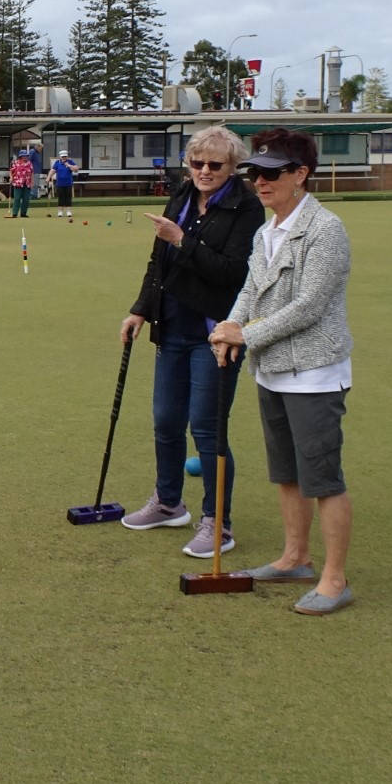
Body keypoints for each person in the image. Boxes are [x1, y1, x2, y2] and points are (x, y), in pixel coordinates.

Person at [208, 128, 356, 616]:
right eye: (255, 173)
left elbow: (310, 306)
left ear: (300, 175)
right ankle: (295, 556)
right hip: (272, 370)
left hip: (313, 371)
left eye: (272, 173)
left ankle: (335, 579)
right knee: (287, 473)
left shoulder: (325, 230)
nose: (260, 181)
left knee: (323, 478)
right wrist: (230, 324)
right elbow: (252, 291)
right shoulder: (265, 231)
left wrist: (243, 336)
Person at [118, 126, 263, 559]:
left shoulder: (247, 207)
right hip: (172, 326)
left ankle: (218, 524)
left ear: (232, 168)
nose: (204, 171)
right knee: (165, 421)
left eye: (214, 165)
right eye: (196, 163)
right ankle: (168, 502)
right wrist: (140, 309)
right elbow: (158, 261)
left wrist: (181, 239)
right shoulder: (182, 195)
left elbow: (233, 273)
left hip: (215, 333)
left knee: (207, 428)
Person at [51, 150, 79, 218]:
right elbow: (53, 170)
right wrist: (48, 177)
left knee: (68, 197)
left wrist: (69, 165)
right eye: (63, 156)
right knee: (61, 197)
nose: (64, 158)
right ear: (60, 157)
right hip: (60, 183)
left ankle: (68, 211)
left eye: (65, 156)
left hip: (68, 183)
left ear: (67, 156)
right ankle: (60, 211)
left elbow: (76, 169)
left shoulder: (70, 162)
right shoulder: (57, 162)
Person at [8, 149, 33, 218]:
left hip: (27, 183)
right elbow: (11, 171)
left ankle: (23, 213)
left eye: (26, 156)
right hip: (18, 183)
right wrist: (11, 177)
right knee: (17, 198)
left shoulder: (29, 163)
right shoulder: (15, 163)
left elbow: (31, 173)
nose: (25, 157)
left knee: (26, 199)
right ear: (21, 156)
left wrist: (32, 182)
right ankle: (15, 213)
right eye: (24, 156)